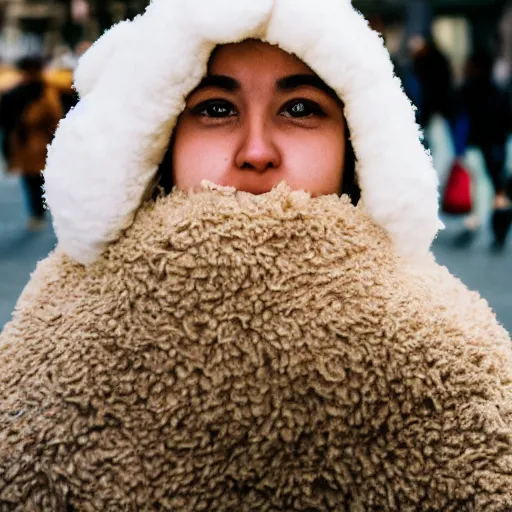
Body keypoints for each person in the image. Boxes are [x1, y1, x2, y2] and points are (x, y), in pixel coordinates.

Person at [0, 1, 511, 510]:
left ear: (356, 147)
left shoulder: (454, 362)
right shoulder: (52, 340)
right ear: (158, 142)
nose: (257, 151)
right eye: (216, 109)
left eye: (301, 109)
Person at [453, 51, 512, 250]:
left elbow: (460, 119)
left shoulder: (467, 90)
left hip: (478, 146)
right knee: (497, 190)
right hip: (495, 147)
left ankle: (477, 226)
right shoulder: (498, 91)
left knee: (481, 189)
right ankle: (498, 232)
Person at [0, 55, 62, 230]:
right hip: (34, 142)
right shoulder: (47, 89)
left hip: (31, 142)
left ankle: (38, 212)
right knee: (36, 178)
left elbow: (6, 122)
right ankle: (39, 210)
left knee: (33, 179)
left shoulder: (41, 89)